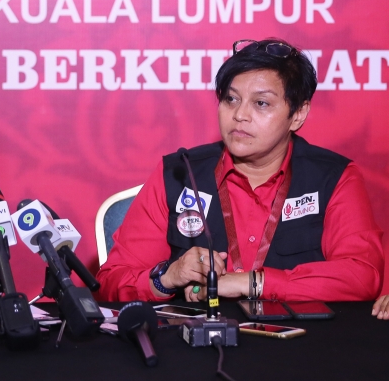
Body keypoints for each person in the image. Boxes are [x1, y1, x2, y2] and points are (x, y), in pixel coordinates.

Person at [98, 37, 384, 304]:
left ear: (298, 114)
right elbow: (110, 282)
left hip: (299, 339)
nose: (239, 115)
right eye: (231, 99)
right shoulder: (179, 173)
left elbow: (361, 275)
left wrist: (251, 283)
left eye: (261, 103)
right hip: (195, 338)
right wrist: (166, 278)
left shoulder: (334, 177)